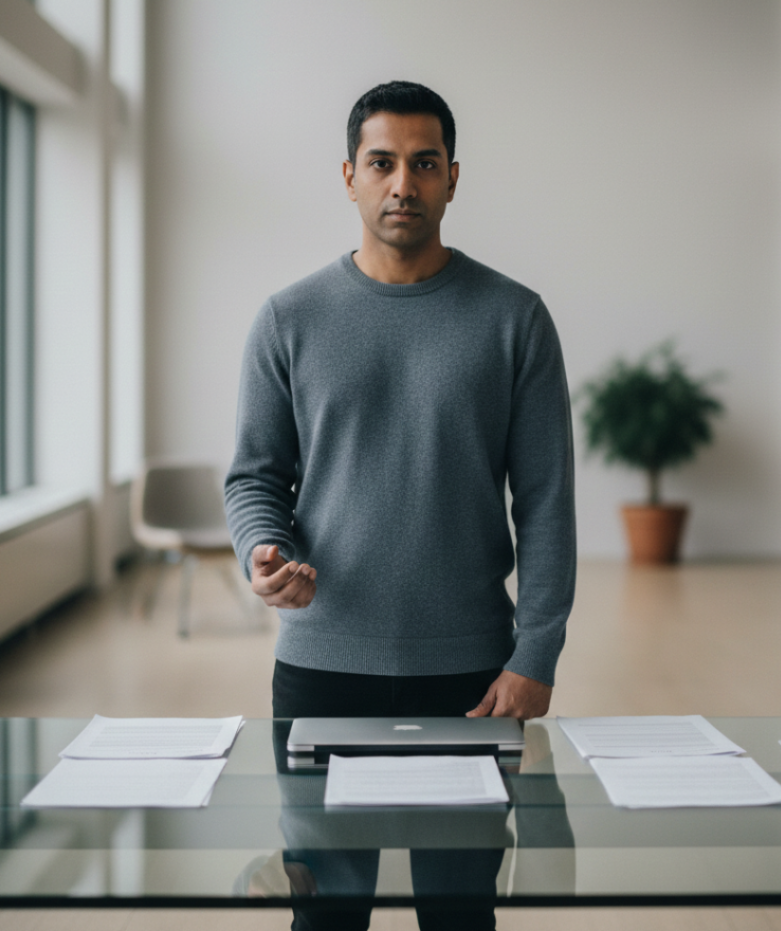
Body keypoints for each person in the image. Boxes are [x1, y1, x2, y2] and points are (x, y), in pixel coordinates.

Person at [225, 80, 576, 931]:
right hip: (321, 669)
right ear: (348, 176)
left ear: (454, 178)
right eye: (382, 163)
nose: (402, 184)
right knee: (326, 915)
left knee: (459, 915)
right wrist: (264, 552)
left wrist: (536, 653)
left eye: (424, 165)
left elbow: (547, 501)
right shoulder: (288, 319)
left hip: (471, 677)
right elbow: (255, 477)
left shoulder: (515, 320)